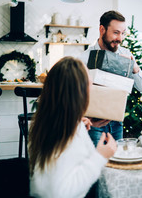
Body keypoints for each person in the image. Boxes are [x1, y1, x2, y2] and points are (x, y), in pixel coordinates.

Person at [29, 57, 117, 198]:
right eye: (90, 86)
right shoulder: (66, 134)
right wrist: (100, 156)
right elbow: (60, 193)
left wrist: (77, 123)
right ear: (79, 94)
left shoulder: (48, 122)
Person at [79, 10, 142, 146]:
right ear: (102, 30)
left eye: (123, 33)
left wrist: (134, 66)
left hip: (117, 123)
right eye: (116, 32)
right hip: (93, 124)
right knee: (97, 163)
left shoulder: (126, 55)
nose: (120, 38)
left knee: (117, 163)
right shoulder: (84, 58)